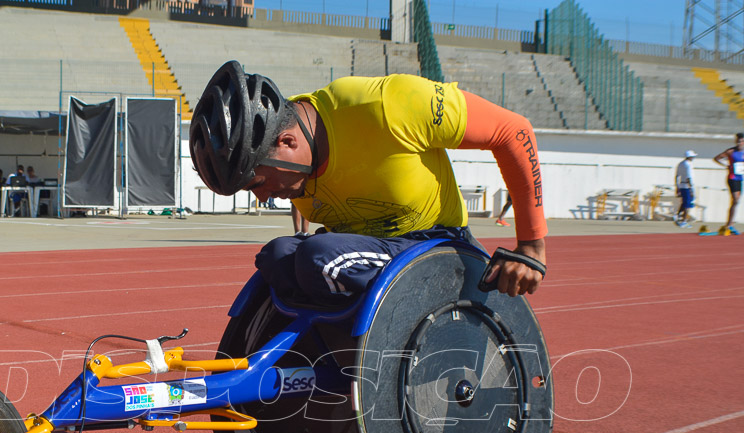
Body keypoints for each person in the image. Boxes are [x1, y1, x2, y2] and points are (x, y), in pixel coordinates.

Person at [189, 62, 547, 304]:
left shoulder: (388, 105)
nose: (265, 198)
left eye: (259, 183)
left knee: (320, 258)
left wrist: (530, 248)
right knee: (277, 256)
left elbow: (512, 131)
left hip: (438, 245)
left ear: (287, 143)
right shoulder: (295, 170)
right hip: (371, 249)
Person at [714, 133, 744, 235]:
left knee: (736, 202)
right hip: (732, 178)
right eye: (738, 141)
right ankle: (729, 224)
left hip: (740, 178)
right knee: (735, 199)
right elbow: (717, 158)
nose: (740, 143)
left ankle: (730, 224)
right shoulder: (731, 151)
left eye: (741, 141)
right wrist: (726, 165)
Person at [674, 150, 696, 228]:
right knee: (687, 204)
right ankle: (684, 221)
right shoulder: (688, 165)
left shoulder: (681, 164)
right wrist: (691, 189)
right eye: (693, 156)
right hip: (687, 186)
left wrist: (677, 186)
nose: (693, 158)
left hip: (682, 185)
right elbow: (688, 177)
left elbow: (677, 176)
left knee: (683, 202)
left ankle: (677, 215)